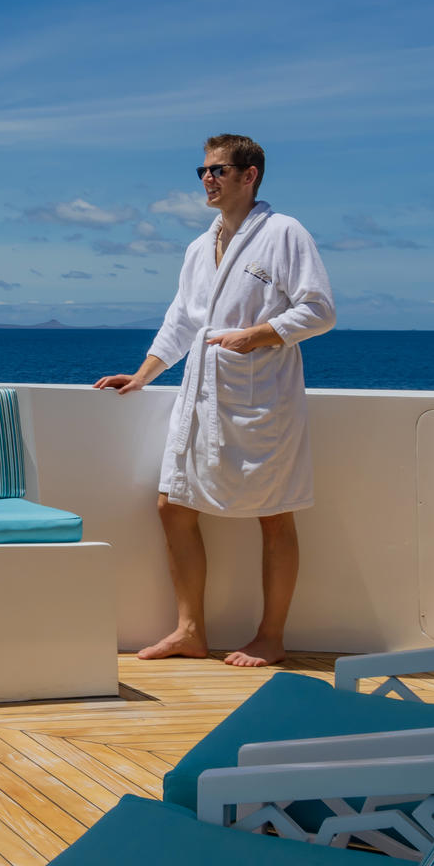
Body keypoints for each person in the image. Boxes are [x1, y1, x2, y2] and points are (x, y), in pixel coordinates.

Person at [94, 134, 335, 668]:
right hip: (201, 398)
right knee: (173, 505)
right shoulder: (198, 247)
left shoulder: (284, 233)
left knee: (275, 515)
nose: (207, 179)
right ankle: (190, 630)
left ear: (249, 176)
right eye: (202, 170)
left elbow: (320, 310)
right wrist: (143, 375)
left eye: (218, 170)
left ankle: (271, 636)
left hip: (262, 399)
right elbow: (182, 320)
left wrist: (259, 334)